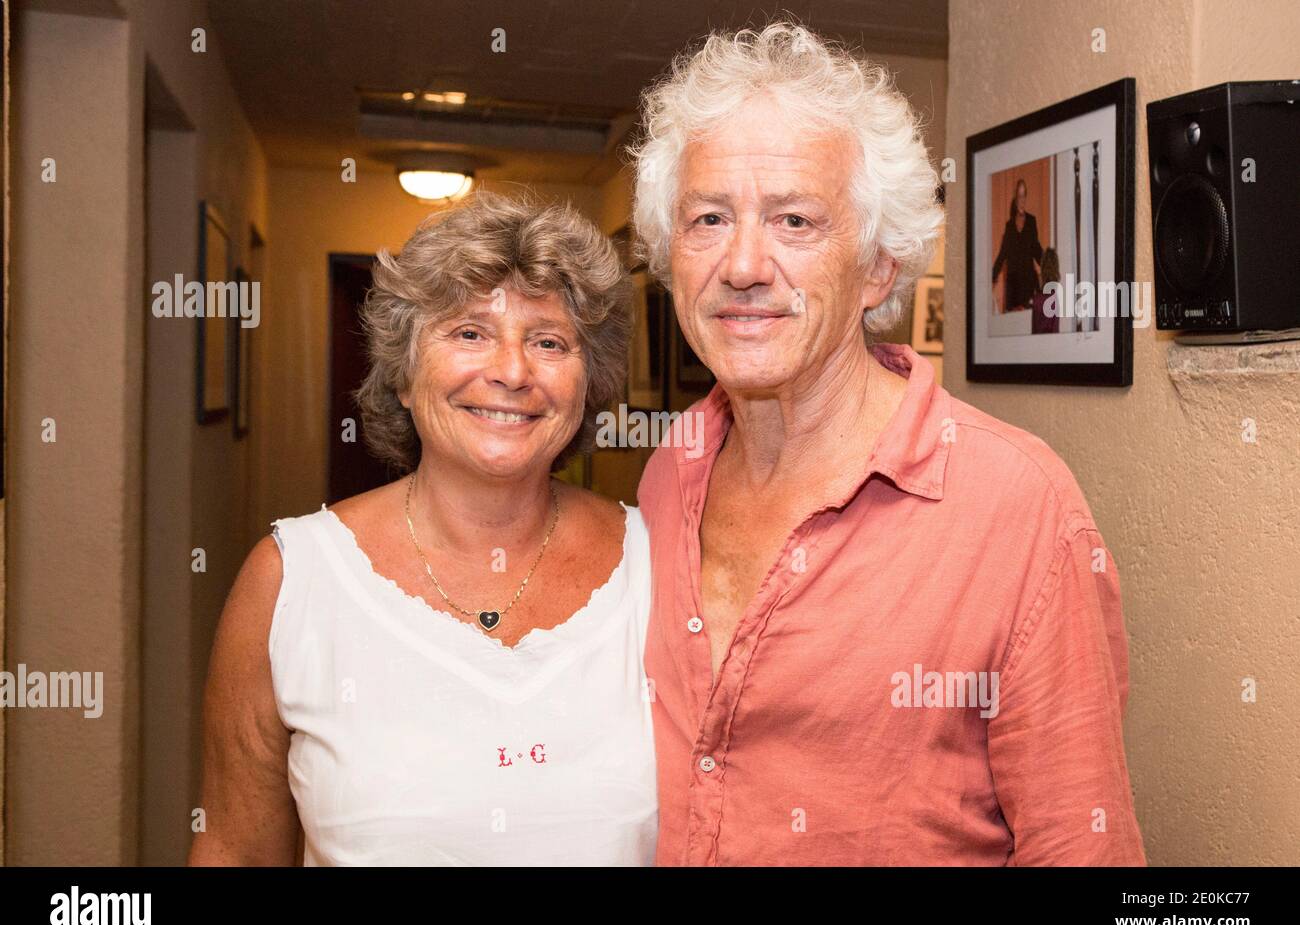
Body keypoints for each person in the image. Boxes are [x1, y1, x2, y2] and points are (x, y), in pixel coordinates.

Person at [629, 22, 1145, 865]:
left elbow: (1081, 849)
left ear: (878, 267)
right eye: (708, 219)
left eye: (795, 220)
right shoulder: (665, 475)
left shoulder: (1016, 511)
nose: (744, 264)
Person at [189, 191, 657, 866]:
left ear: (588, 383)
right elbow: (235, 851)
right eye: (470, 333)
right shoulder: (291, 581)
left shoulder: (663, 564)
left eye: (548, 341)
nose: (511, 372)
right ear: (404, 375)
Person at [991, 178, 1044, 311]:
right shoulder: (1009, 226)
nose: (1022, 200)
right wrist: (993, 276)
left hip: (1028, 283)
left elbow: (1036, 248)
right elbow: (1003, 253)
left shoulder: (1032, 221)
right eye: (1019, 196)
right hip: (1013, 286)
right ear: (1016, 198)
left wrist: (1048, 265)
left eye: (1024, 196)